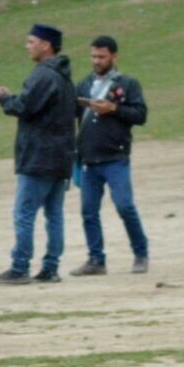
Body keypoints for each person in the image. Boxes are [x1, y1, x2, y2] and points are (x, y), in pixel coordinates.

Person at [0, 23, 77, 284]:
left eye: (30, 41)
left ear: (45, 45)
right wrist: (9, 96)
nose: (27, 46)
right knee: (54, 215)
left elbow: (25, 107)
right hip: (61, 157)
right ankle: (50, 268)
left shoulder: (43, 75)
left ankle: (20, 267)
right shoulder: (64, 76)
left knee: (24, 214)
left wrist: (1, 98)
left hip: (39, 157)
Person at [71, 36, 150, 276]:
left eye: (102, 57)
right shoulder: (83, 85)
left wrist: (113, 108)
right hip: (88, 159)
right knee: (88, 211)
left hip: (116, 157)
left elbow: (140, 115)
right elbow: (70, 115)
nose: (97, 61)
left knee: (125, 206)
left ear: (114, 57)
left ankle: (141, 254)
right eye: (94, 56)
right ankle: (96, 260)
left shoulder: (128, 84)